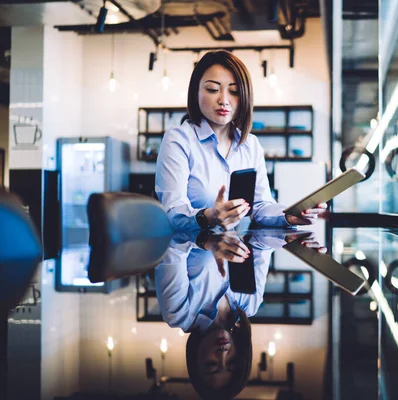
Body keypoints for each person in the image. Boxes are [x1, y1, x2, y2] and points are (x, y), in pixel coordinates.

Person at [155, 50, 327, 231]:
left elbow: (260, 206)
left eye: (234, 91)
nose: (224, 100)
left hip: (238, 252)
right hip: (191, 252)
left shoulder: (250, 144)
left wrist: (288, 216)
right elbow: (172, 212)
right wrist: (209, 216)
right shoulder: (179, 139)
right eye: (213, 89)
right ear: (195, 92)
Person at [155, 229, 325, 398]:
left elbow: (170, 244)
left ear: (195, 358)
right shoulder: (249, 305)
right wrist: (286, 238)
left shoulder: (179, 312)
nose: (222, 354)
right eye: (231, 363)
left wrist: (207, 239)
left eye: (211, 364)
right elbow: (259, 245)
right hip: (240, 206)